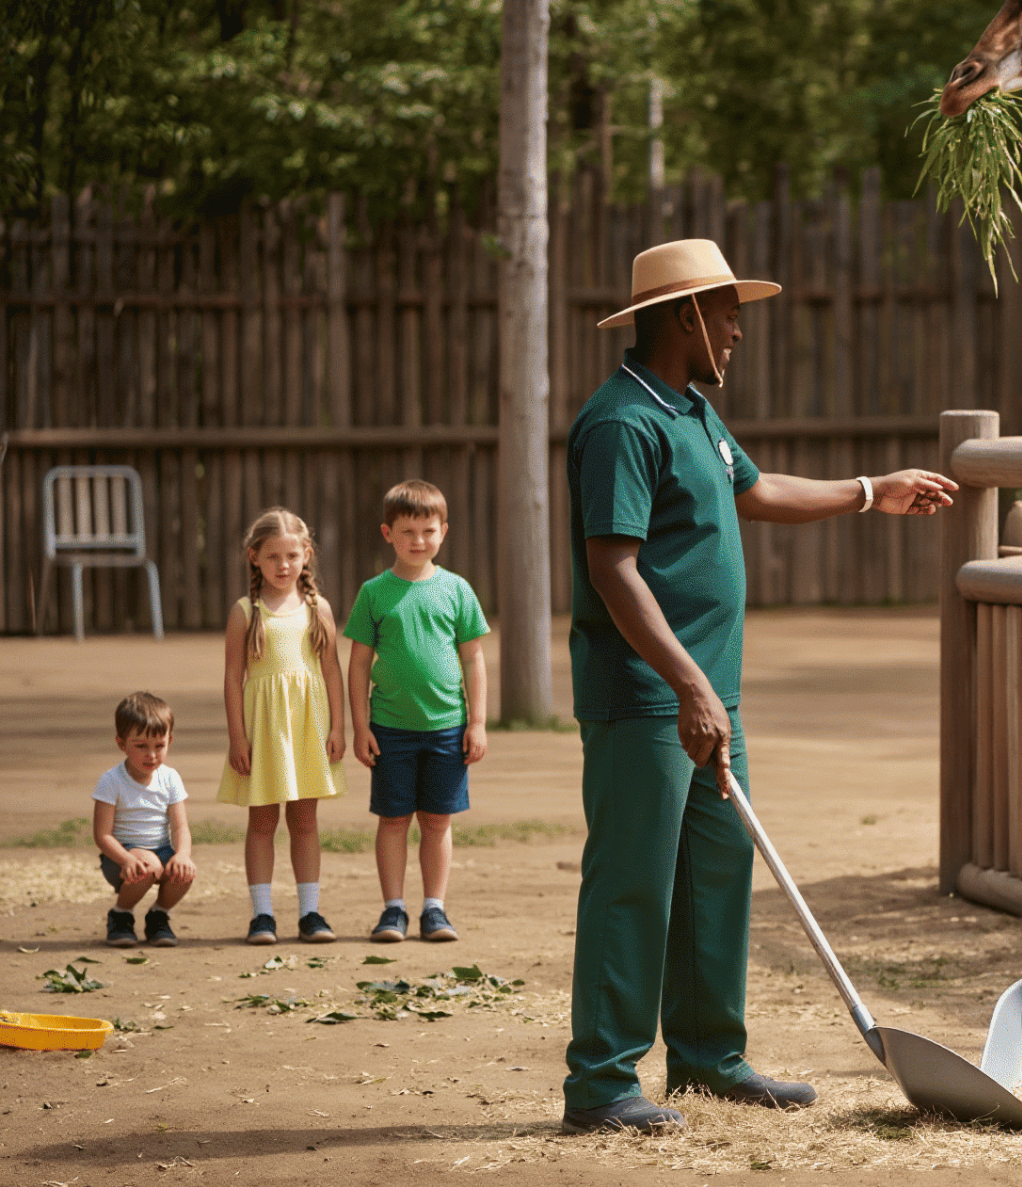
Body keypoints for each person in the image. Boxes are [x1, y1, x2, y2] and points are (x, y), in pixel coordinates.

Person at [560, 237, 958, 1136]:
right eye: (729, 314)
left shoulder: (691, 411)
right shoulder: (622, 424)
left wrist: (873, 490)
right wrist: (688, 682)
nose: (740, 331)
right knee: (633, 882)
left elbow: (759, 488)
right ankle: (601, 1084)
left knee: (716, 872)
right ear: (686, 316)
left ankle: (709, 1057)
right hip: (647, 695)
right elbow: (613, 569)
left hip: (708, 693)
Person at [345, 479, 491, 945]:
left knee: (437, 821)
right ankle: (393, 909)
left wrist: (478, 722)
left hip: (448, 729)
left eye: (428, 531)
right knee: (393, 820)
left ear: (443, 532)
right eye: (407, 532)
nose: (418, 541)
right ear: (387, 533)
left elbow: (473, 659)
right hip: (389, 729)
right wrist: (360, 727)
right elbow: (358, 664)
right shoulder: (374, 592)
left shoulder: (457, 589)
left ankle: (434, 908)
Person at [222, 507, 348, 946]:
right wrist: (237, 737)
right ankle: (262, 916)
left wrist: (338, 728)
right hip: (263, 731)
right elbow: (233, 678)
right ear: (254, 557)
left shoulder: (318, 608)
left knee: (305, 822)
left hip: (308, 730)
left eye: (292, 556)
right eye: (273, 557)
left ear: (306, 554)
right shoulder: (244, 612)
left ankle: (310, 913)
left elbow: (331, 671)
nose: (283, 565)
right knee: (261, 822)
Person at [93, 692, 195, 949]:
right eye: (141, 746)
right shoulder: (111, 781)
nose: (151, 755)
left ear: (170, 740)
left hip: (160, 852)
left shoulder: (170, 778)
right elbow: (102, 836)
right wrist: (126, 859)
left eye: (159, 746)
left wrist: (183, 855)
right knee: (148, 864)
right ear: (121, 743)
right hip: (120, 858)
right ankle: (121, 915)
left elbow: (180, 826)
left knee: (185, 872)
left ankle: (158, 916)